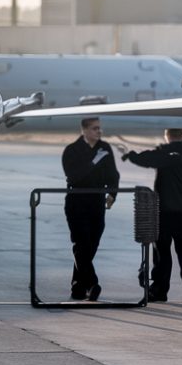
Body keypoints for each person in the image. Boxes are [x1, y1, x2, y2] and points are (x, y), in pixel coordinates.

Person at [122, 128, 182, 302]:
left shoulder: (167, 152)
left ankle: (159, 290)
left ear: (166, 136)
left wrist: (131, 155)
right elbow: (159, 157)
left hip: (165, 210)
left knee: (161, 251)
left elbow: (150, 159)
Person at [61, 117, 120, 301]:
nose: (99, 131)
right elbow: (73, 177)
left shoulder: (105, 148)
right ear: (84, 130)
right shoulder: (72, 150)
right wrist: (94, 161)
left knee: (91, 245)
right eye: (95, 128)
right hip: (76, 203)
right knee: (81, 244)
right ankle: (92, 284)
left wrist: (112, 193)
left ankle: (78, 286)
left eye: (100, 128)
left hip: (96, 203)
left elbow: (113, 174)